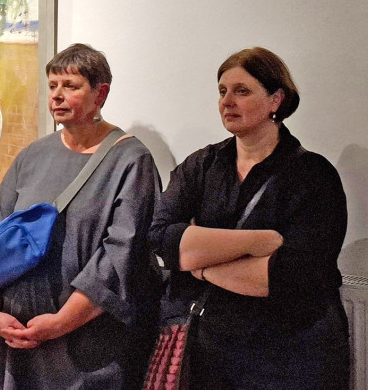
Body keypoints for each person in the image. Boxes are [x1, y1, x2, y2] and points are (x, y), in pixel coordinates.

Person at [148, 47, 350, 389]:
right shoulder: (202, 165)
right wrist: (257, 242)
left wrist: (199, 264)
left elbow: (289, 278)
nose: (227, 102)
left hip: (288, 357)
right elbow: (160, 237)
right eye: (222, 91)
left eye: (242, 91)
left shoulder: (313, 175)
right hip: (210, 353)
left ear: (276, 100)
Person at [0, 43, 162, 389]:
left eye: (71, 86)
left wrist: (60, 323)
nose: (57, 95)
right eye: (53, 86)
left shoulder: (130, 160)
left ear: (100, 93)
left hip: (84, 348)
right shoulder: (33, 155)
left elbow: (121, 257)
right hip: (13, 337)